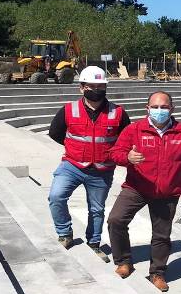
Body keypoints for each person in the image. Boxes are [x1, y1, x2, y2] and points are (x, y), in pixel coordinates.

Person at [107, 91, 181, 292]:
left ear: (172, 109)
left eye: (164, 107)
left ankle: (157, 272)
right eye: (155, 107)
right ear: (147, 109)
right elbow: (115, 153)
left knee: (162, 235)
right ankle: (124, 261)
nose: (160, 111)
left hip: (168, 192)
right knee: (116, 220)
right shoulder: (134, 130)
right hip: (137, 187)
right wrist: (127, 158)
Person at [48, 66, 131, 257]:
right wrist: (74, 148)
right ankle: (65, 233)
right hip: (72, 165)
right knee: (56, 196)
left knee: (97, 209)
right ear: (81, 88)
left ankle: (94, 242)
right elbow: (55, 133)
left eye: (100, 86)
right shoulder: (69, 110)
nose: (96, 90)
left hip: (102, 169)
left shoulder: (118, 113)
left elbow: (126, 139)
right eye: (91, 86)